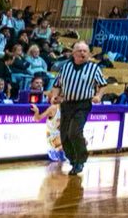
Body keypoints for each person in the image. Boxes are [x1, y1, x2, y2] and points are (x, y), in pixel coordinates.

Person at [51, 41, 107, 176]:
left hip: (83, 104)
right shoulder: (65, 67)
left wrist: (98, 96)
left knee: (74, 132)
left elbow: (103, 85)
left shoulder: (93, 68)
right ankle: (73, 159)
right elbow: (57, 84)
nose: (82, 53)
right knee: (64, 136)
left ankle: (81, 160)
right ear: (73, 53)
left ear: (88, 54)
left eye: (85, 51)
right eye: (80, 50)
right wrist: (54, 96)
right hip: (66, 104)